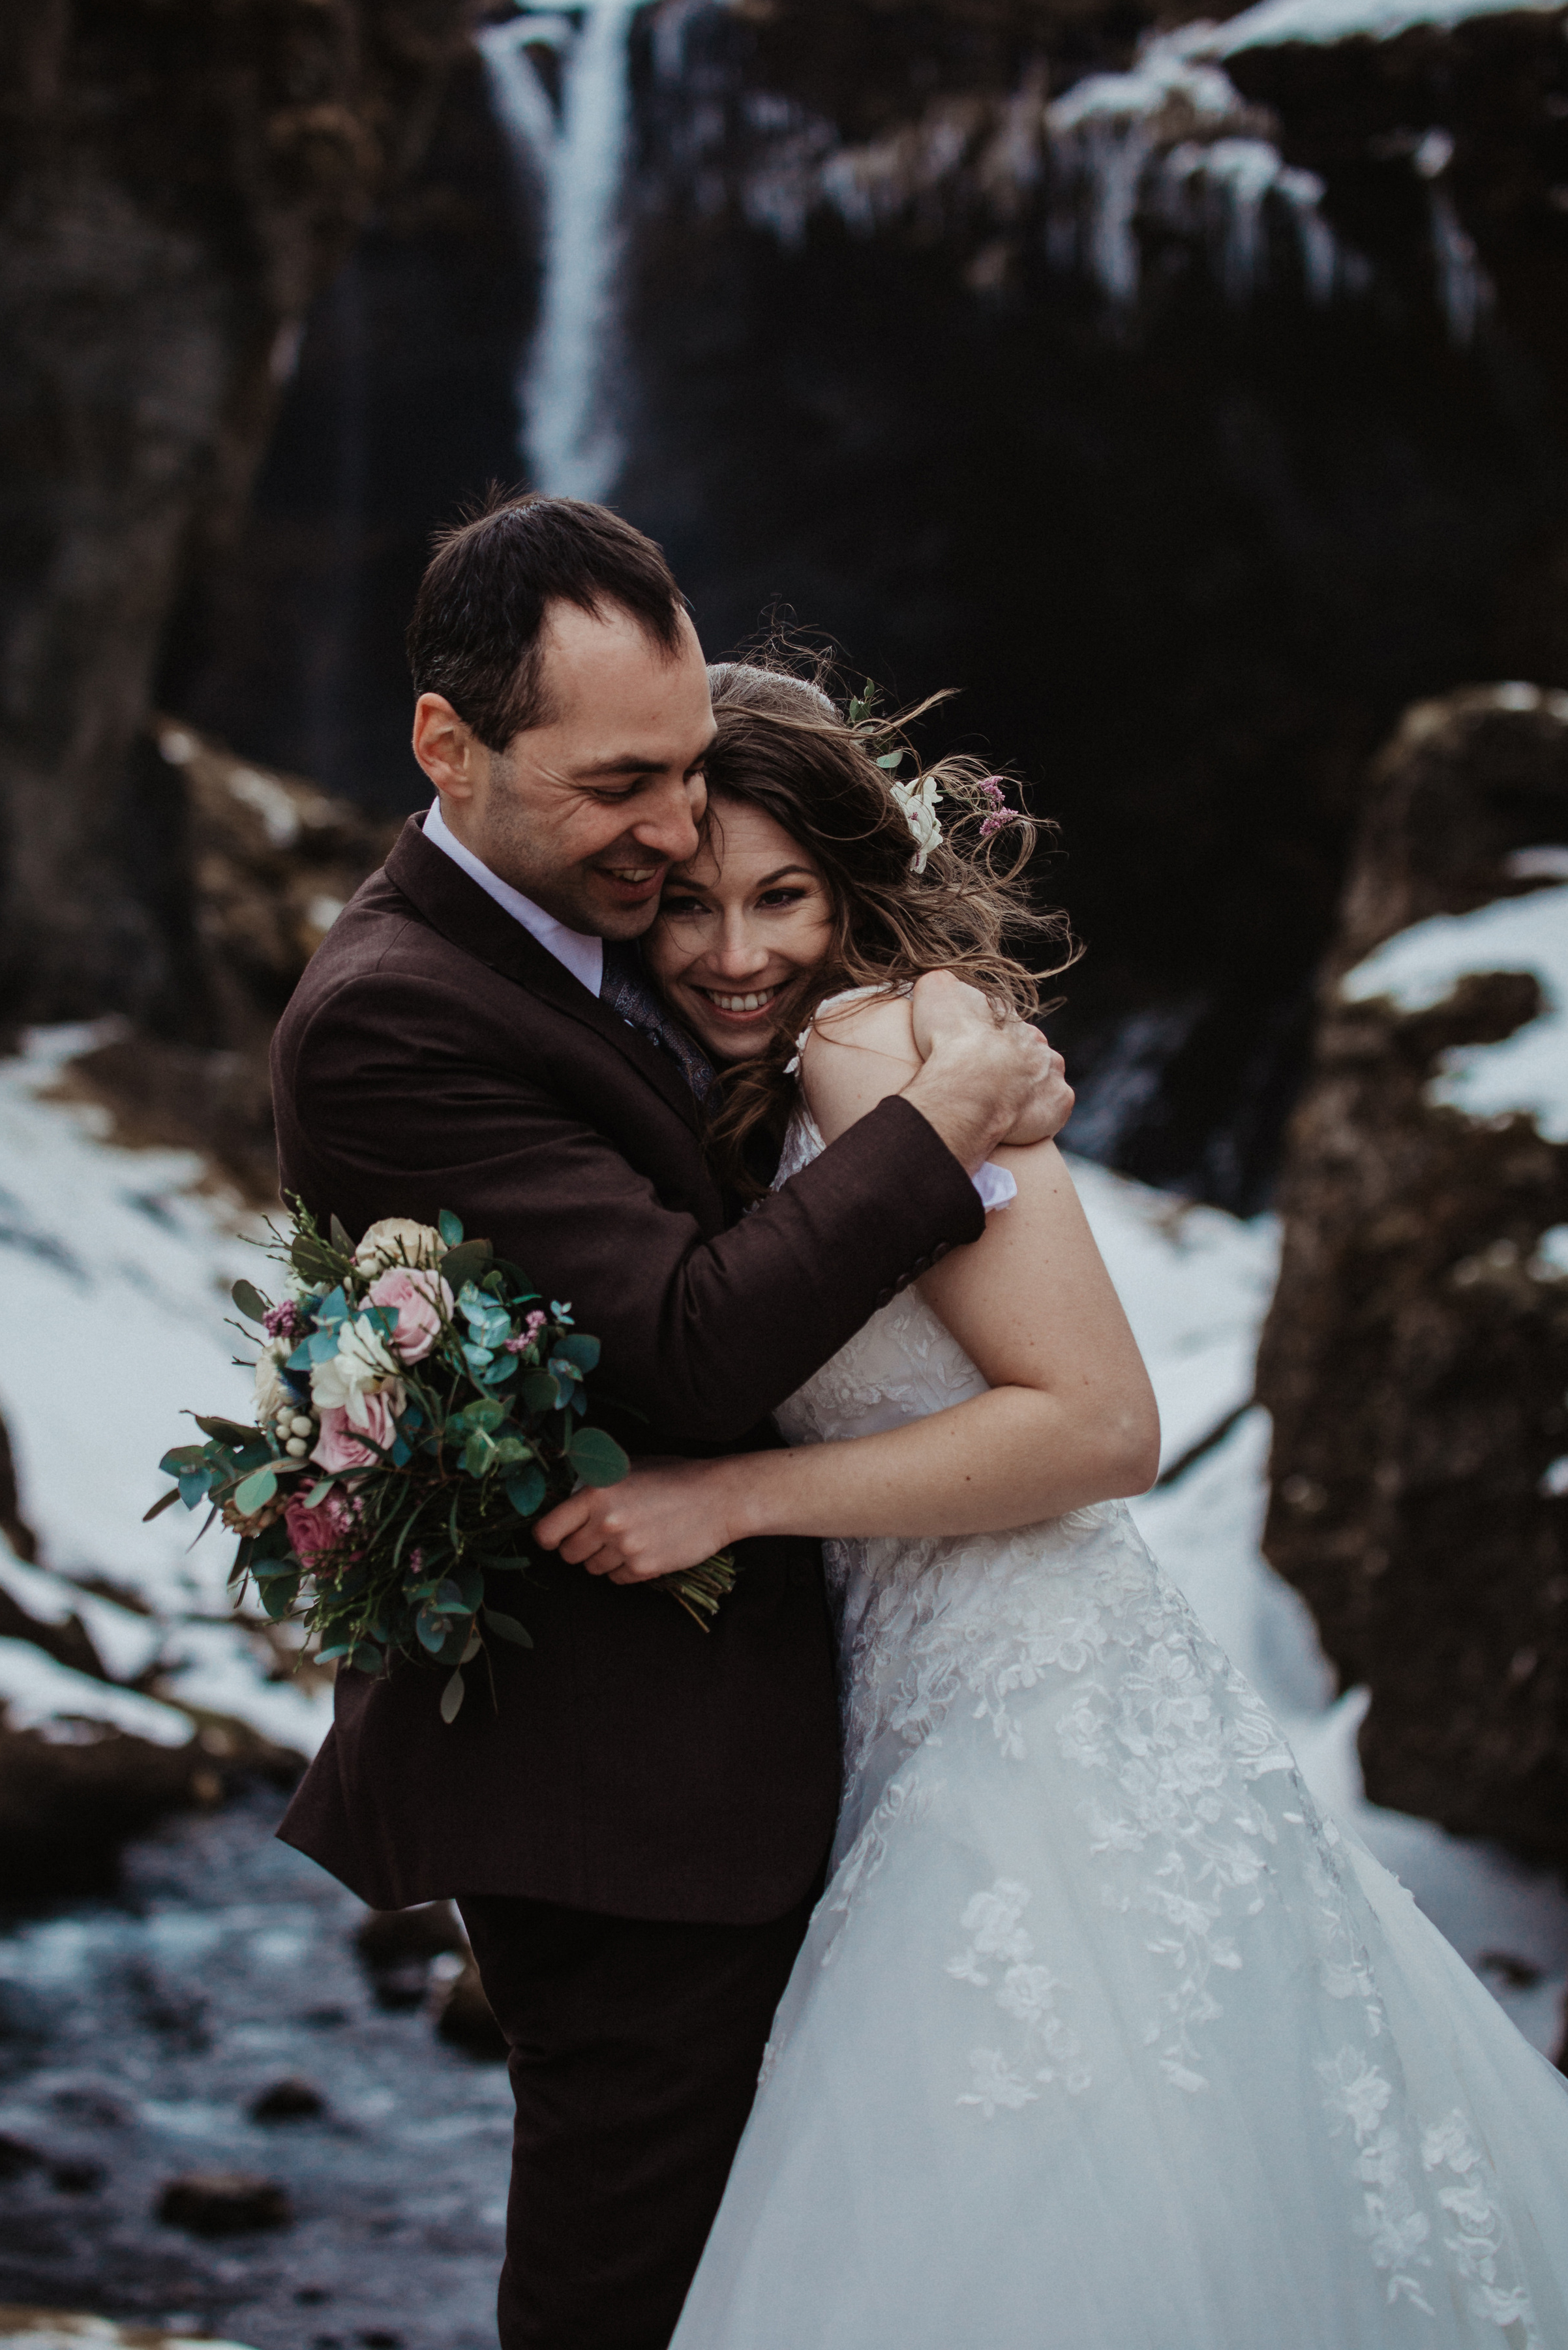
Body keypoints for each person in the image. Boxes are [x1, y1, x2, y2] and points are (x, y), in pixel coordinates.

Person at [537, 666, 1568, 2350]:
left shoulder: (880, 1051)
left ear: (850, 885)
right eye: (694, 903)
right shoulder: (782, 1073)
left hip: (1041, 1722)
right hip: (912, 1705)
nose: (736, 951)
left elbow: (1104, 1421)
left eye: (785, 895)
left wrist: (730, 1497)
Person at [270, 500, 1076, 2350]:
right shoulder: (391, 1019)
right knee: (628, 2294)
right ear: (445, 746)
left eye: (696, 770)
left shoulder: (600, 913)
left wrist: (934, 1040)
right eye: (624, 781)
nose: (674, 834)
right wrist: (938, 1125)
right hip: (616, 1793)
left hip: (780, 1749)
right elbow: (694, 1349)